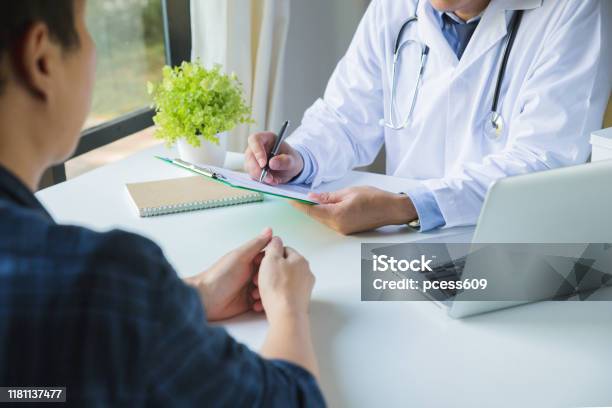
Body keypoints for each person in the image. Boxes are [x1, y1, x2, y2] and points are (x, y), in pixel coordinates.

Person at [0, 1, 325, 406]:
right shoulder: (101, 278)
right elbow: (292, 399)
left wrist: (195, 292)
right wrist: (289, 306)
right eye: (87, 28)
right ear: (41, 59)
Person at [245, 0, 611, 235]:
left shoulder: (574, 9)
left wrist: (408, 204)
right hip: (399, 244)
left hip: (514, 249)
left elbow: (544, 161)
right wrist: (298, 156)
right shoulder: (394, 8)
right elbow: (344, 116)